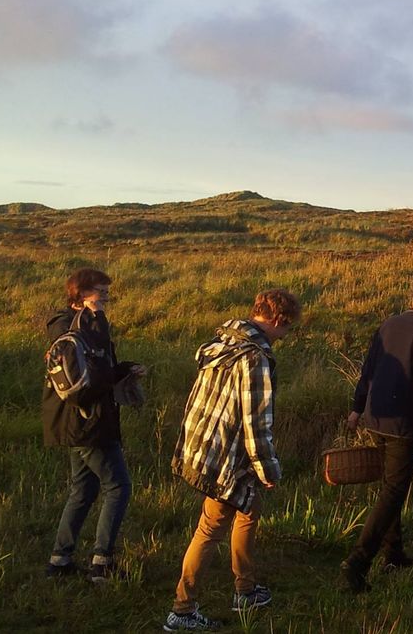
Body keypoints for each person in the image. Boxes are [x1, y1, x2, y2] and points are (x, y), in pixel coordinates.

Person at [164, 289, 300, 632]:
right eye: (288, 328)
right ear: (278, 320)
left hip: (203, 447)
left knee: (248, 511)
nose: (286, 336)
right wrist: (268, 469)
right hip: (226, 457)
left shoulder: (223, 341)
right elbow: (256, 422)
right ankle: (182, 608)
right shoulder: (255, 358)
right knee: (210, 528)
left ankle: (246, 588)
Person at [341, 280, 413, 594]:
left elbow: (368, 369)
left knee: (390, 486)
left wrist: (357, 408)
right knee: (393, 492)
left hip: (377, 416)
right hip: (406, 422)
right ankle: (358, 563)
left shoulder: (388, 324)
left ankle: (394, 553)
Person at [44, 268, 147, 582]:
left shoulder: (80, 327)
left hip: (77, 423)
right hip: (89, 422)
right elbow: (86, 385)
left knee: (83, 490)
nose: (106, 297)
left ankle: (59, 562)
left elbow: (96, 374)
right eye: (100, 292)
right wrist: (116, 375)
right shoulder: (77, 331)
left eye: (106, 292)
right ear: (81, 294)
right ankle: (102, 564)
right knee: (119, 487)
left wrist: (123, 370)